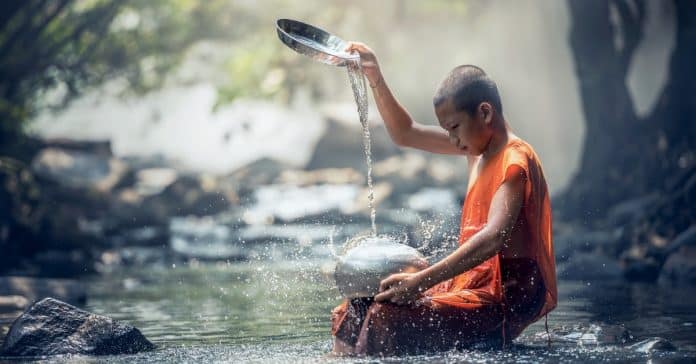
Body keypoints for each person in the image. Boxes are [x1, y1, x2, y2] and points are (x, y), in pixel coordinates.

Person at [330, 42, 557, 356]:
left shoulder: (514, 160)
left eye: (454, 128)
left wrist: (421, 281)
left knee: (384, 316)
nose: (452, 141)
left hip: (504, 298)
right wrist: (374, 76)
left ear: (485, 113)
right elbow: (405, 133)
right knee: (355, 306)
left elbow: (494, 238)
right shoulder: (476, 146)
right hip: (470, 284)